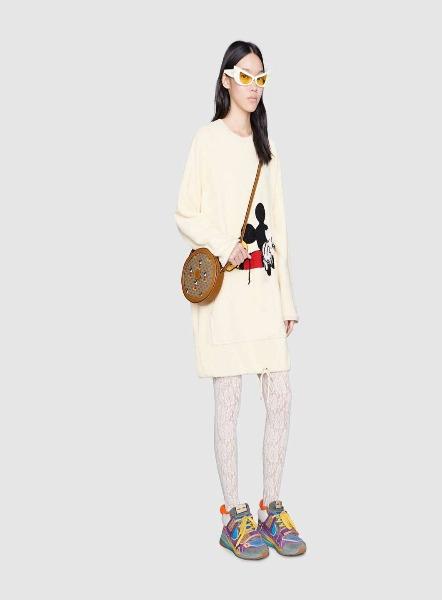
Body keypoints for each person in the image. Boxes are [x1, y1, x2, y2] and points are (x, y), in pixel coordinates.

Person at [174, 40, 306, 559]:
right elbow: (185, 211)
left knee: (281, 397)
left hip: (264, 292)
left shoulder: (266, 149)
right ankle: (234, 515)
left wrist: (287, 299)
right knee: (228, 403)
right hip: (226, 295)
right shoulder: (206, 141)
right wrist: (220, 241)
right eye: (246, 76)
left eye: (261, 78)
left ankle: (272, 505)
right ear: (226, 79)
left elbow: (281, 232)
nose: (254, 86)